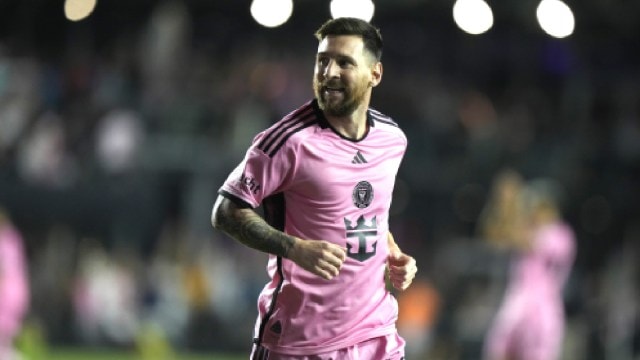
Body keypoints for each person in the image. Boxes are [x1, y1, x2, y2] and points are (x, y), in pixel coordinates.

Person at [211, 17, 418, 360]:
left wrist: (393, 253)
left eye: (344, 62)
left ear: (375, 74)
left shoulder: (392, 139)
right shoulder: (288, 141)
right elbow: (225, 211)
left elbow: (369, 215)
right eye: (323, 60)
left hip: (376, 336)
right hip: (299, 342)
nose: (329, 72)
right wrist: (294, 248)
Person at [479, 173, 576, 360]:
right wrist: (503, 206)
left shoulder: (560, 233)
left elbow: (526, 242)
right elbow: (494, 237)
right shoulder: (532, 229)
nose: (533, 211)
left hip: (544, 307)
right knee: (498, 350)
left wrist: (509, 205)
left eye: (537, 206)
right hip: (518, 300)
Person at [0, 208, 30, 360]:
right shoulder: (14, 238)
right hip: (18, 287)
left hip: (7, 289)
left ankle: (6, 352)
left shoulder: (6, 241)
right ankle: (8, 351)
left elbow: (4, 268)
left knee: (4, 324)